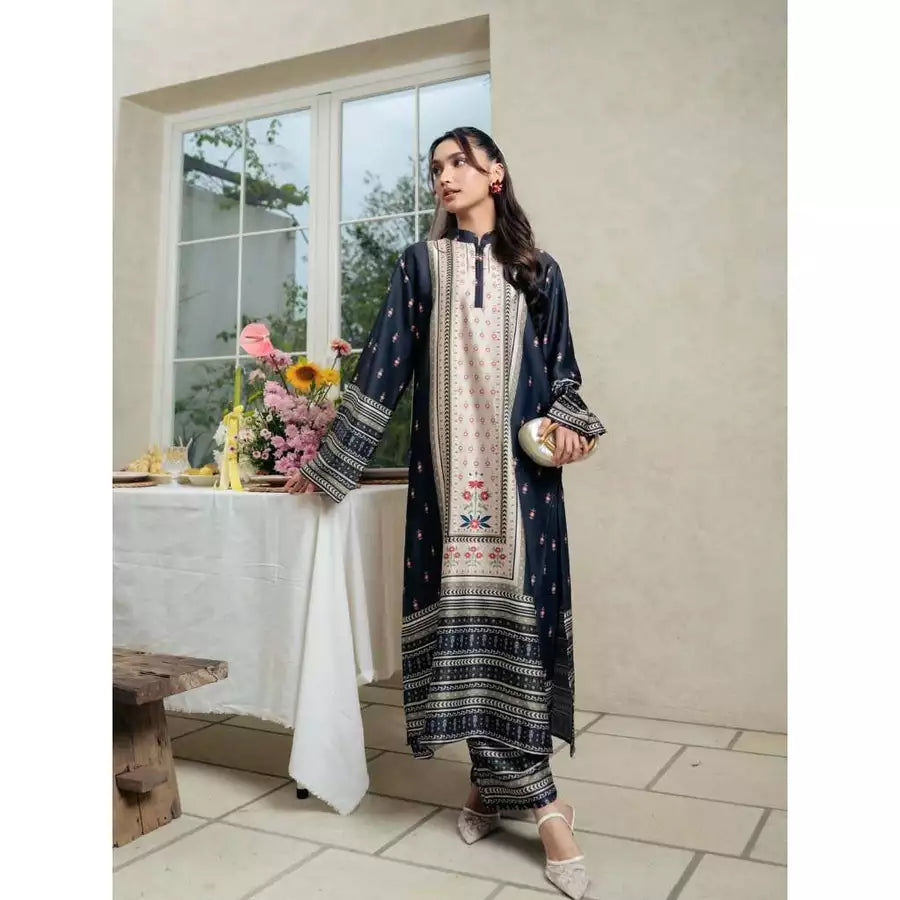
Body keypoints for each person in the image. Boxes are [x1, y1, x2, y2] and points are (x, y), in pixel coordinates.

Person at [286, 126, 606, 899]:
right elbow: (384, 367)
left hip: (523, 493)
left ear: (496, 173)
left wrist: (572, 427)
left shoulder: (540, 272)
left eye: (459, 162)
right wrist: (327, 468)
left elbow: (564, 376)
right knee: (466, 630)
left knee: (518, 633)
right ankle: (538, 804)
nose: (443, 176)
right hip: (447, 493)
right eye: (434, 168)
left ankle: (504, 790)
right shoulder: (419, 266)